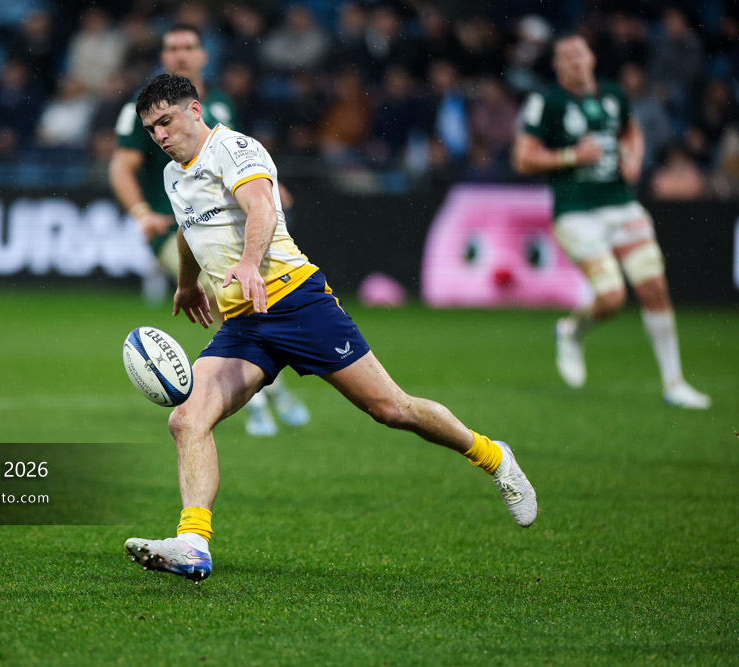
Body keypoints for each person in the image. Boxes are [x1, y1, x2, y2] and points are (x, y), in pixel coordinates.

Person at [123, 74, 538, 582]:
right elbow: (190, 231)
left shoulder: (234, 148)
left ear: (194, 110)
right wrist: (188, 285)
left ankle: (494, 457)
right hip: (243, 323)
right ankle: (193, 544)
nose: (160, 135)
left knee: (392, 409)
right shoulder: (172, 175)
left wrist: (251, 263)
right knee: (186, 420)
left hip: (298, 304)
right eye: (150, 129)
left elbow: (262, 208)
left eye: (166, 121)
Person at [110, 23, 310, 438]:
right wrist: (142, 212)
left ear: (203, 55)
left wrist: (267, 183)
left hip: (224, 227)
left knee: (246, 301)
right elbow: (120, 166)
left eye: (189, 46)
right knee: (225, 296)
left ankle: (270, 389)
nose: (180, 53)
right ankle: (256, 401)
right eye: (172, 47)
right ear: (163, 57)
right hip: (176, 228)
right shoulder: (141, 110)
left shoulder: (218, 103)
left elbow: (231, 155)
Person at [512, 34, 711, 409]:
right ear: (556, 66)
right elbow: (523, 159)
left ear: (591, 57)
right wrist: (573, 155)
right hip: (576, 211)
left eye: (580, 53)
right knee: (613, 297)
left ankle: (674, 383)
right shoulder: (546, 102)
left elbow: (631, 131)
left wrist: (634, 157)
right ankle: (571, 330)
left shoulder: (613, 94)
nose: (575, 61)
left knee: (654, 287)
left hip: (621, 205)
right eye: (566, 56)